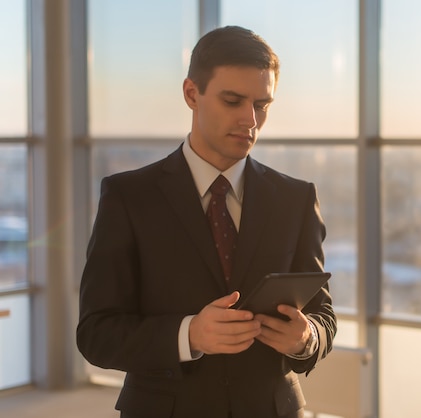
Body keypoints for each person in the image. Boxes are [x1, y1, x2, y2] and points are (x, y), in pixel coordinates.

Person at [76, 25, 336, 418]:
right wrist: (189, 334)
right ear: (191, 94)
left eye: (262, 105)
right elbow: (96, 334)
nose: (250, 120)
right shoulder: (128, 197)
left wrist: (305, 338)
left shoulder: (296, 199)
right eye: (233, 100)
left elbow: (323, 317)